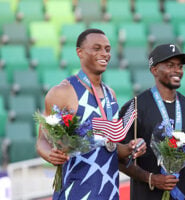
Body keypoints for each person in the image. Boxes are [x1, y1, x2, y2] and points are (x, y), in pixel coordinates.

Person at [36, 28, 146, 199]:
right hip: (75, 191)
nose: (104, 53)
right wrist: (50, 155)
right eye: (97, 48)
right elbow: (43, 140)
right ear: (80, 52)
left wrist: (130, 148)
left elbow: (108, 146)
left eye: (107, 49)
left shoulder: (110, 94)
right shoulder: (63, 92)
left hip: (109, 191)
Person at [119, 44, 185, 200]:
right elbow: (119, 157)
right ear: (154, 70)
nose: (177, 71)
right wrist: (151, 178)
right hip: (147, 195)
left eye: (180, 66)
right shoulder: (135, 107)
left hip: (184, 195)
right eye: (170, 65)